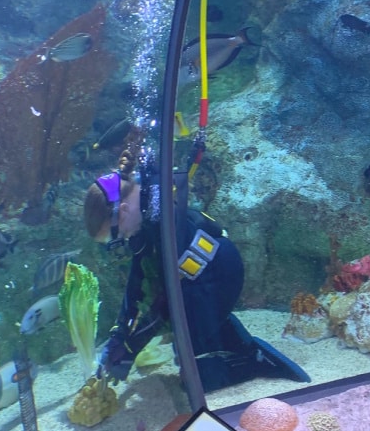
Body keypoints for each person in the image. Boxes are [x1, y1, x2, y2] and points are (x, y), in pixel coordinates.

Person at [83, 148, 310, 392]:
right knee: (189, 348)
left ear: (124, 211)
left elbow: (165, 303)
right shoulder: (148, 209)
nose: (121, 241)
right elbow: (136, 285)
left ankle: (254, 360)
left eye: (115, 236)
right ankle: (235, 339)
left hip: (218, 275)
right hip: (201, 276)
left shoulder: (161, 222)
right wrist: (119, 335)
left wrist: (131, 347)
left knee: (192, 379)